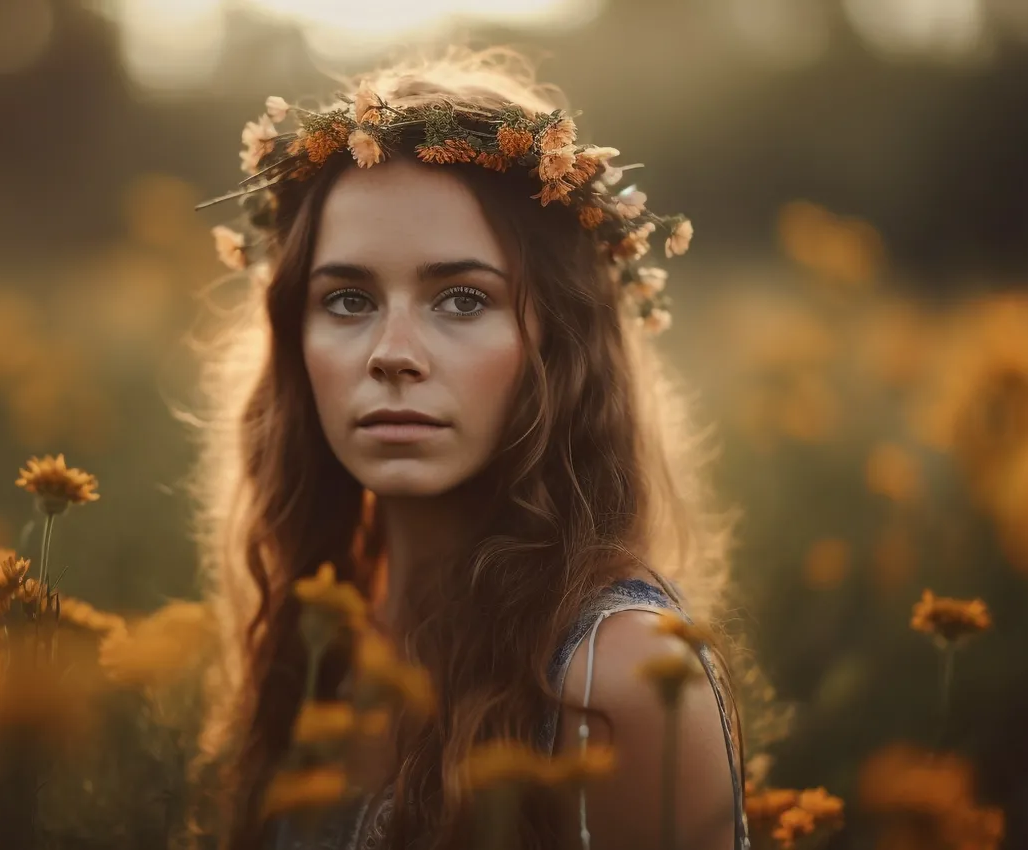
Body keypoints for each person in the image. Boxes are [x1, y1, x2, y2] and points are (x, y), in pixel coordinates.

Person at [186, 47, 748, 850]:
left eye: (461, 298)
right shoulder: (318, 640)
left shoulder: (616, 678)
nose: (393, 352)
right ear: (293, 341)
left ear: (558, 339)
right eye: (347, 299)